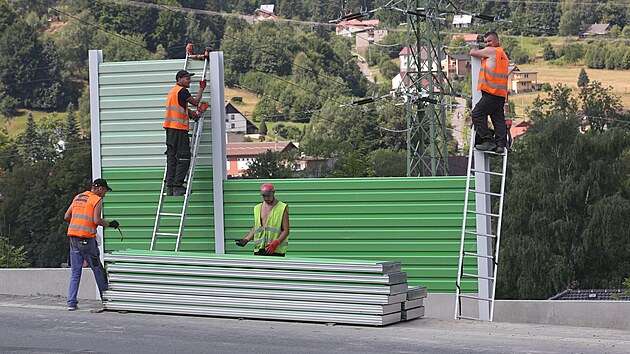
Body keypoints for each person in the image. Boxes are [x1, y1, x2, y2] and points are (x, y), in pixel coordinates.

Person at [64, 178, 120, 311]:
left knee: (75, 272)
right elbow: (96, 219)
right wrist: (111, 224)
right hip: (87, 240)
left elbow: (67, 216)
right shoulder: (97, 200)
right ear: (100, 188)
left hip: (73, 238)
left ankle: (71, 303)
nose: (105, 193)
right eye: (105, 190)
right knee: (98, 270)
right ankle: (106, 300)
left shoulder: (78, 197)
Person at [164, 70, 206, 196]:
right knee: (184, 158)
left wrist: (190, 114)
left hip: (170, 129)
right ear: (180, 79)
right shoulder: (182, 91)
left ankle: (170, 187)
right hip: (179, 129)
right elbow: (195, 102)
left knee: (172, 158)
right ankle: (178, 186)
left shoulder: (173, 92)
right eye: (187, 79)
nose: (190, 81)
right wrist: (201, 88)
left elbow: (179, 108)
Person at [470, 31, 511, 154]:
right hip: (500, 94)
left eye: (489, 41)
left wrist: (475, 47)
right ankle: (500, 144)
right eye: (486, 42)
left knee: (476, 114)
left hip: (491, 92)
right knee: (497, 119)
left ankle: (488, 140)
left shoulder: (492, 51)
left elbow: (473, 53)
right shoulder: (503, 54)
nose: (487, 44)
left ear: (496, 41)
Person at [235, 183, 290, 256]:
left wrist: (276, 242)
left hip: (276, 250)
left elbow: (286, 230)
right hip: (259, 250)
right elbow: (257, 228)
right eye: (264, 196)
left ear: (273, 193)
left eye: (268, 195)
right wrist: (246, 239)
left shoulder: (282, 208)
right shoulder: (257, 208)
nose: (266, 198)